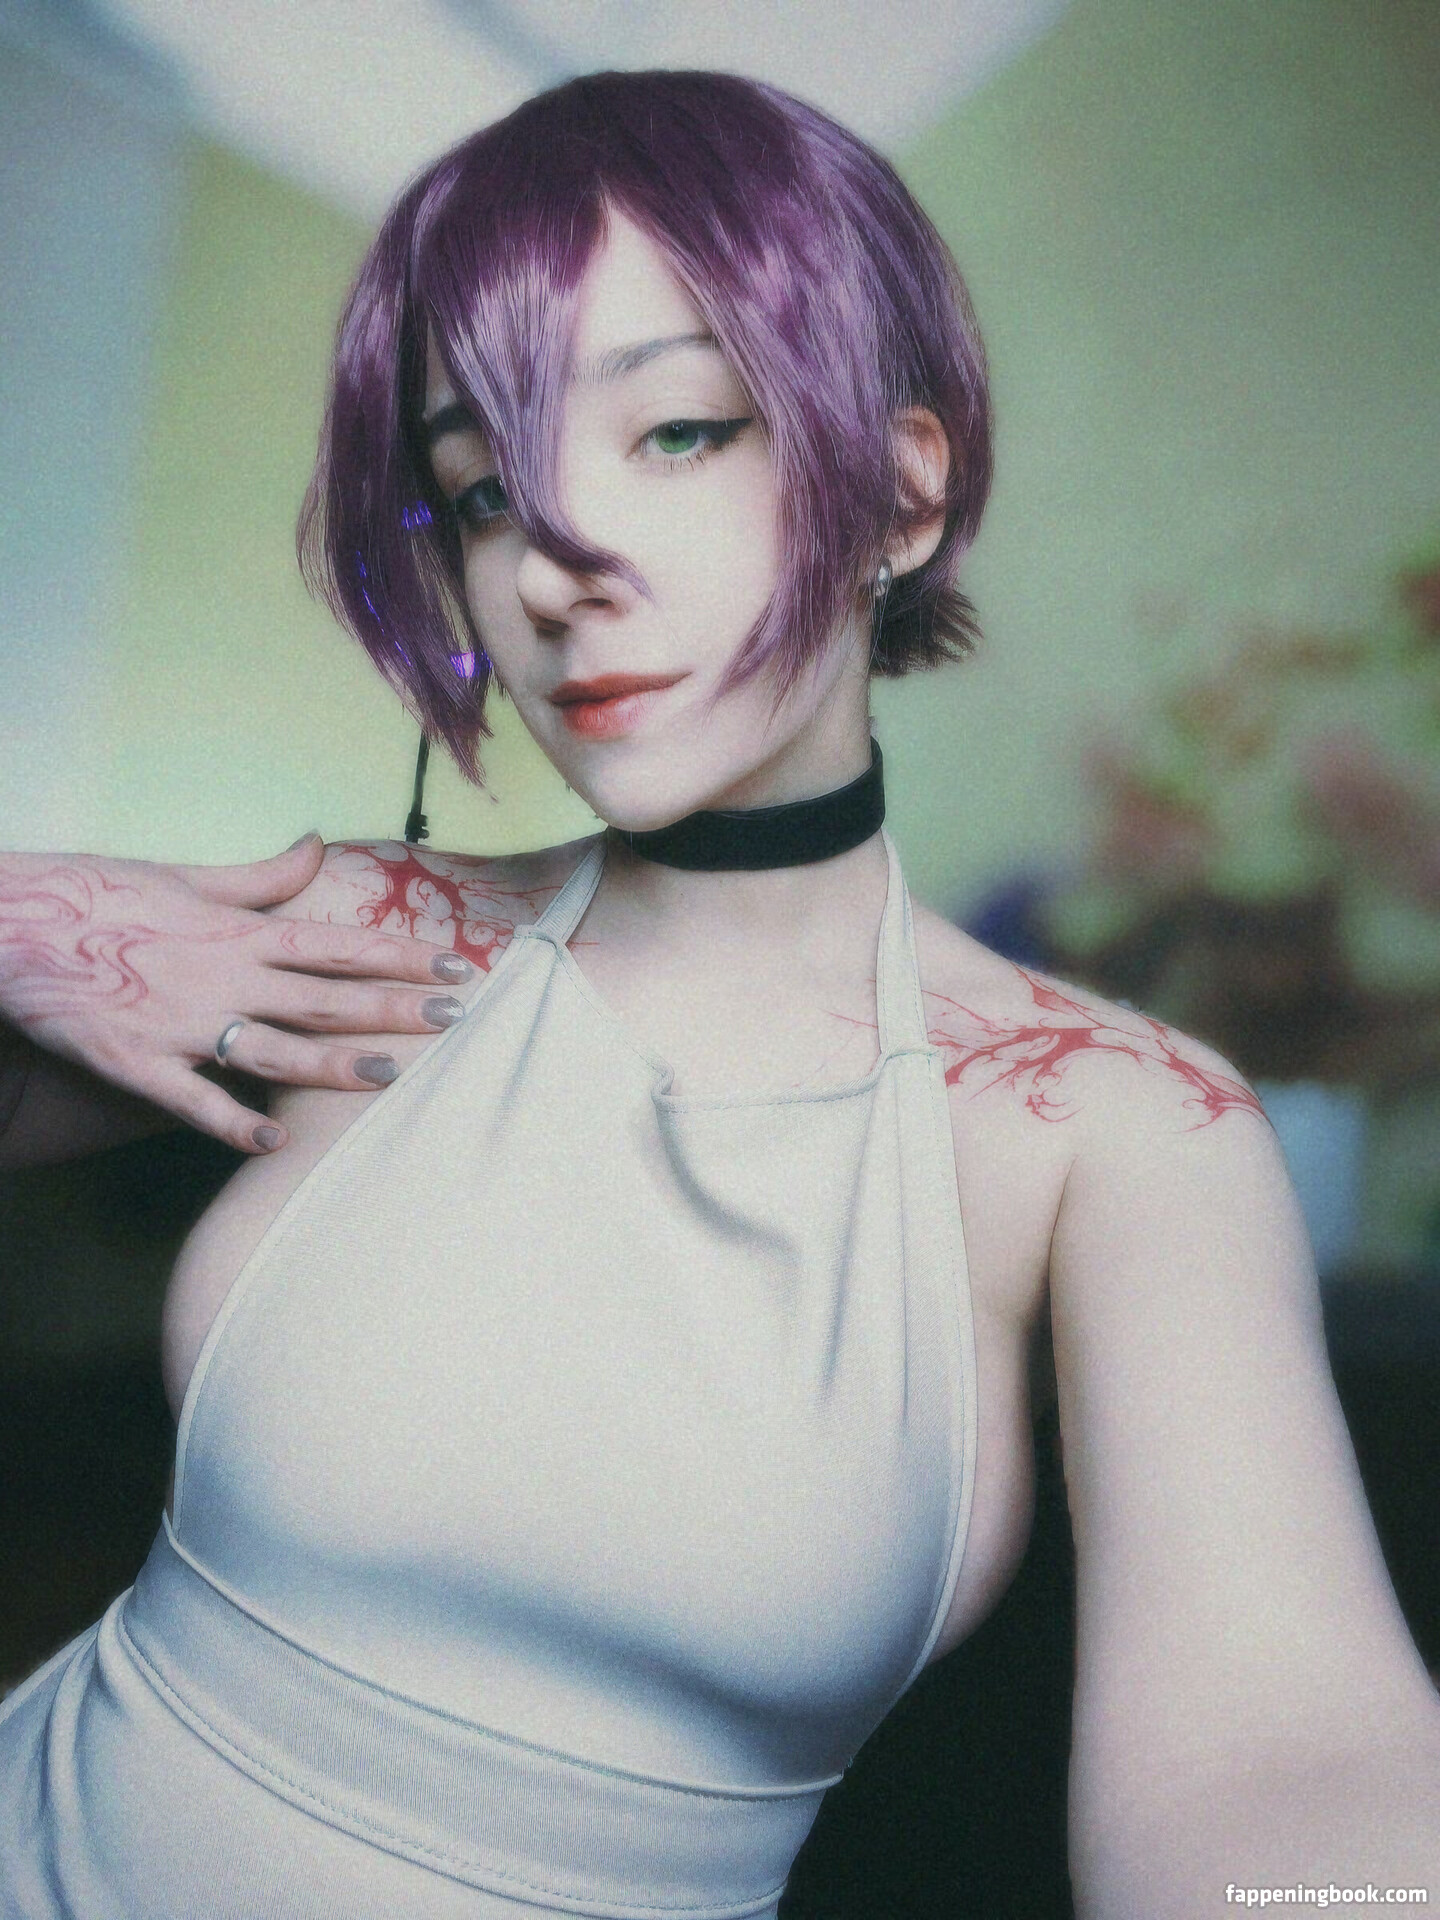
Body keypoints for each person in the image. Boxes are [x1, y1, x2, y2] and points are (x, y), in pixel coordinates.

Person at [1, 67, 1437, 1920]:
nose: (556, 567)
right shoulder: (357, 932)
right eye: (480, 490)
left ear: (900, 493)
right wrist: (21, 918)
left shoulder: (1112, 1123)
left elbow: (1291, 1754)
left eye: (675, 430)